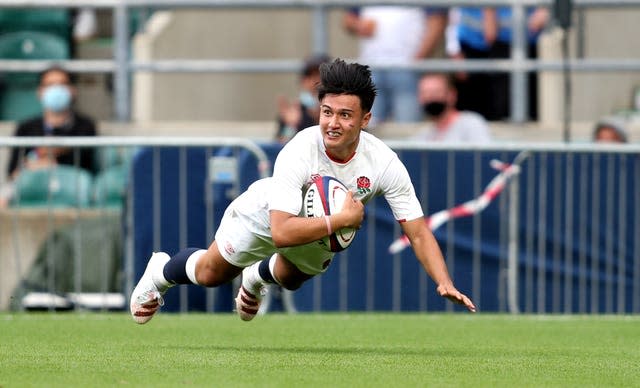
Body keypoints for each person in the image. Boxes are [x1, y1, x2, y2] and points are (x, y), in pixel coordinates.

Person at [130, 58, 476, 325]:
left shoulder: (384, 162)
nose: (333, 123)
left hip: (317, 230)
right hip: (266, 215)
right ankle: (160, 273)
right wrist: (340, 218)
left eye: (345, 115)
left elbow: (416, 231)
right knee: (211, 274)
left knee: (292, 280)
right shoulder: (299, 149)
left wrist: (443, 281)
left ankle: (256, 277)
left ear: (365, 119)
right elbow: (280, 232)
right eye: (327, 112)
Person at [342, 7, 447, 128]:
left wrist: (417, 59)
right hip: (371, 69)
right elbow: (348, 19)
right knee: (368, 129)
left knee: (407, 130)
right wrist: (358, 25)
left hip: (406, 70)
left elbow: (437, 21)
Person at [453, 6, 549, 121]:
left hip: (522, 44)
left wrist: (546, 6)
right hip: (472, 46)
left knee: (509, 105)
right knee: (474, 109)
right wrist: (454, 48)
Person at [6, 66, 99, 180]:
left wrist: (51, 163)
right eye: (50, 85)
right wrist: (37, 161)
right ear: (39, 92)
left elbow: (87, 168)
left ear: (73, 90)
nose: (56, 89)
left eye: (62, 84)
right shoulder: (25, 128)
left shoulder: (85, 126)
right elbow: (13, 173)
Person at [412, 73, 492, 143]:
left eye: (436, 92)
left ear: (452, 95)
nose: (431, 98)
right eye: (425, 93)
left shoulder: (471, 124)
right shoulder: (424, 136)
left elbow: (482, 158)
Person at [275, 54, 331, 144]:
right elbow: (280, 146)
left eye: (321, 75)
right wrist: (291, 126)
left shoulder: (340, 110)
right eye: (310, 75)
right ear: (303, 81)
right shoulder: (294, 111)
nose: (316, 80)